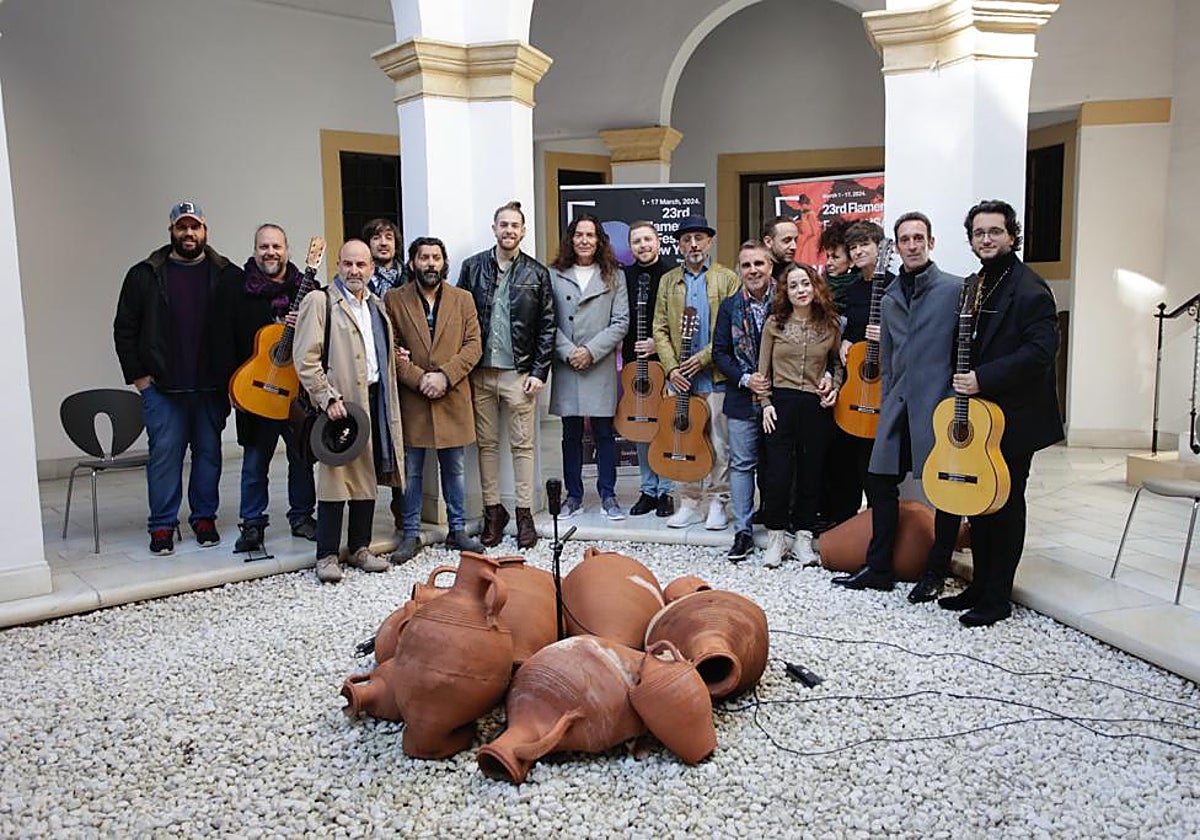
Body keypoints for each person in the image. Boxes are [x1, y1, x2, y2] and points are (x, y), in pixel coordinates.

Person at [930, 200, 1063, 626]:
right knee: (978, 502)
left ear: (1011, 235)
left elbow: (1041, 352)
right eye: (978, 233)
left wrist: (982, 378)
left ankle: (998, 597)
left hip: (1016, 418)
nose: (986, 239)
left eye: (995, 232)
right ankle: (980, 586)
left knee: (1005, 506)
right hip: (980, 416)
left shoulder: (1030, 287)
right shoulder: (977, 283)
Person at [831, 212, 960, 600]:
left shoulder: (955, 290)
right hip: (896, 405)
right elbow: (885, 360)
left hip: (937, 407)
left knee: (944, 490)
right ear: (898, 246)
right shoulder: (888, 298)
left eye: (919, 238)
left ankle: (937, 571)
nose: (913, 245)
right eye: (905, 239)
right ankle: (879, 566)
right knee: (879, 480)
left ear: (931, 242)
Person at [113, 201, 239, 555]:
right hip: (163, 389)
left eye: (194, 226)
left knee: (209, 455)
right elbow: (125, 329)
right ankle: (162, 526)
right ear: (171, 230)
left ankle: (204, 518)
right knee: (165, 457)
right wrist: (140, 379)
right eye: (182, 227)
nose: (188, 233)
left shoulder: (226, 274)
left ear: (205, 230)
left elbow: (240, 325)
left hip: (210, 386)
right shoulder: (144, 275)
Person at [294, 240, 404, 584]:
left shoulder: (376, 305)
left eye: (361, 265)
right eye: (348, 265)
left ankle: (360, 549)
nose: (354, 271)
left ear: (372, 269)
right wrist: (327, 397)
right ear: (338, 266)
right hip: (339, 403)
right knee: (335, 478)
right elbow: (305, 358)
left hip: (374, 398)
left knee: (366, 477)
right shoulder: (320, 301)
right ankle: (327, 555)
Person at [212, 224, 318, 554]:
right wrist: (234, 388)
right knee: (255, 461)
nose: (270, 252)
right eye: (264, 246)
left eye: (276, 246)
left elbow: (322, 336)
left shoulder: (308, 289)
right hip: (257, 389)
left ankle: (302, 517)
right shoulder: (237, 287)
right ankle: (252, 524)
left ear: (288, 249)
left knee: (302, 458)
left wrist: (300, 324)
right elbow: (223, 339)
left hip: (295, 393)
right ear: (255, 249)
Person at [458, 200, 555, 549]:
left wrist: (539, 371)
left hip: (519, 374)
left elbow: (548, 325)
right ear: (494, 228)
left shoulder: (536, 273)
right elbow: (458, 319)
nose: (509, 230)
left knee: (523, 447)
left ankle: (524, 514)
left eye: (515, 225)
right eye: (504, 224)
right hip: (481, 373)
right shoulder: (472, 269)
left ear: (523, 231)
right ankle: (493, 512)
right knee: (485, 446)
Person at [386, 236, 484, 563]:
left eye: (436, 258)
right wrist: (418, 377)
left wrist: (444, 375)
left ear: (444, 263)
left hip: (452, 396)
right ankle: (410, 535)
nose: (431, 264)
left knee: (454, 470)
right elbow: (390, 349)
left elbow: (473, 346)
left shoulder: (463, 299)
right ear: (413, 262)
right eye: (424, 257)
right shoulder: (394, 300)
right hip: (413, 399)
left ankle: (458, 531)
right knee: (411, 473)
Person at [652, 215, 741, 531]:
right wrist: (672, 368)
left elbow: (733, 328)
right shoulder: (668, 281)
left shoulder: (727, 279)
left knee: (719, 443)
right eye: (687, 239)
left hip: (714, 375)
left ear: (710, 242)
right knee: (684, 441)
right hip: (680, 378)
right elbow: (659, 328)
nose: (693, 244)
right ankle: (689, 502)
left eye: (699, 238)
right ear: (679, 243)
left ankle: (718, 503)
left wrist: (704, 358)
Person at [754, 262, 842, 568]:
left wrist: (834, 381)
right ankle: (776, 538)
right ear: (785, 292)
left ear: (815, 286)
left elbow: (838, 365)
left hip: (815, 406)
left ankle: (804, 537)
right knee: (777, 474)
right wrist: (765, 403)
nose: (800, 290)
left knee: (811, 472)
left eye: (805, 283)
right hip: (781, 403)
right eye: (793, 286)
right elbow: (761, 370)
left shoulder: (830, 324)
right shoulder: (774, 324)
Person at [548, 214, 630, 519]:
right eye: (579, 235)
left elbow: (621, 321)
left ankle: (609, 495)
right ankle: (574, 496)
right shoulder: (554, 274)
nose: (584, 240)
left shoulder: (614, 276)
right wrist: (570, 352)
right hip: (568, 363)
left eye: (590, 235)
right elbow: (548, 320)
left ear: (599, 241)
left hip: (599, 363)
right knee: (570, 433)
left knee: (603, 432)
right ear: (571, 239)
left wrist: (590, 351)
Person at [826, 220, 892, 525]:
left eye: (864, 244)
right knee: (844, 460)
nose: (858, 251)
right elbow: (849, 327)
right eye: (853, 247)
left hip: (883, 388)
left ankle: (877, 526)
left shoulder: (895, 285)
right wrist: (846, 342)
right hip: (854, 386)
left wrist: (886, 336)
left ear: (880, 248)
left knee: (875, 466)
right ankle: (843, 524)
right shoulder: (853, 289)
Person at [713, 240, 775, 562]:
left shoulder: (788, 300)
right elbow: (719, 353)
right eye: (746, 265)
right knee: (741, 464)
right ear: (739, 270)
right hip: (741, 396)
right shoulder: (729, 306)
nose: (753, 270)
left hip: (780, 397)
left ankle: (780, 527)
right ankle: (743, 531)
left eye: (758, 264)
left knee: (778, 462)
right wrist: (746, 378)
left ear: (770, 267)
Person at [621, 221, 677, 517]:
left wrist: (659, 344)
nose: (642, 245)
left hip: (664, 362)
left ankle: (666, 491)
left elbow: (680, 318)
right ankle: (648, 490)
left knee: (664, 426)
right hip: (634, 365)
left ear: (658, 242)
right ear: (631, 247)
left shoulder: (672, 274)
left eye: (647, 240)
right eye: (636, 241)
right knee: (641, 428)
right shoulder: (623, 276)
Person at [363, 218, 408, 298]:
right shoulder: (358, 277)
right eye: (376, 238)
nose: (383, 243)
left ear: (396, 244)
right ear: (368, 244)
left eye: (388, 238)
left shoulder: (410, 278)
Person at [761, 216, 799, 281]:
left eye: (796, 240)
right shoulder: (752, 270)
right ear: (768, 242)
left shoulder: (801, 273)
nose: (794, 247)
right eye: (786, 241)